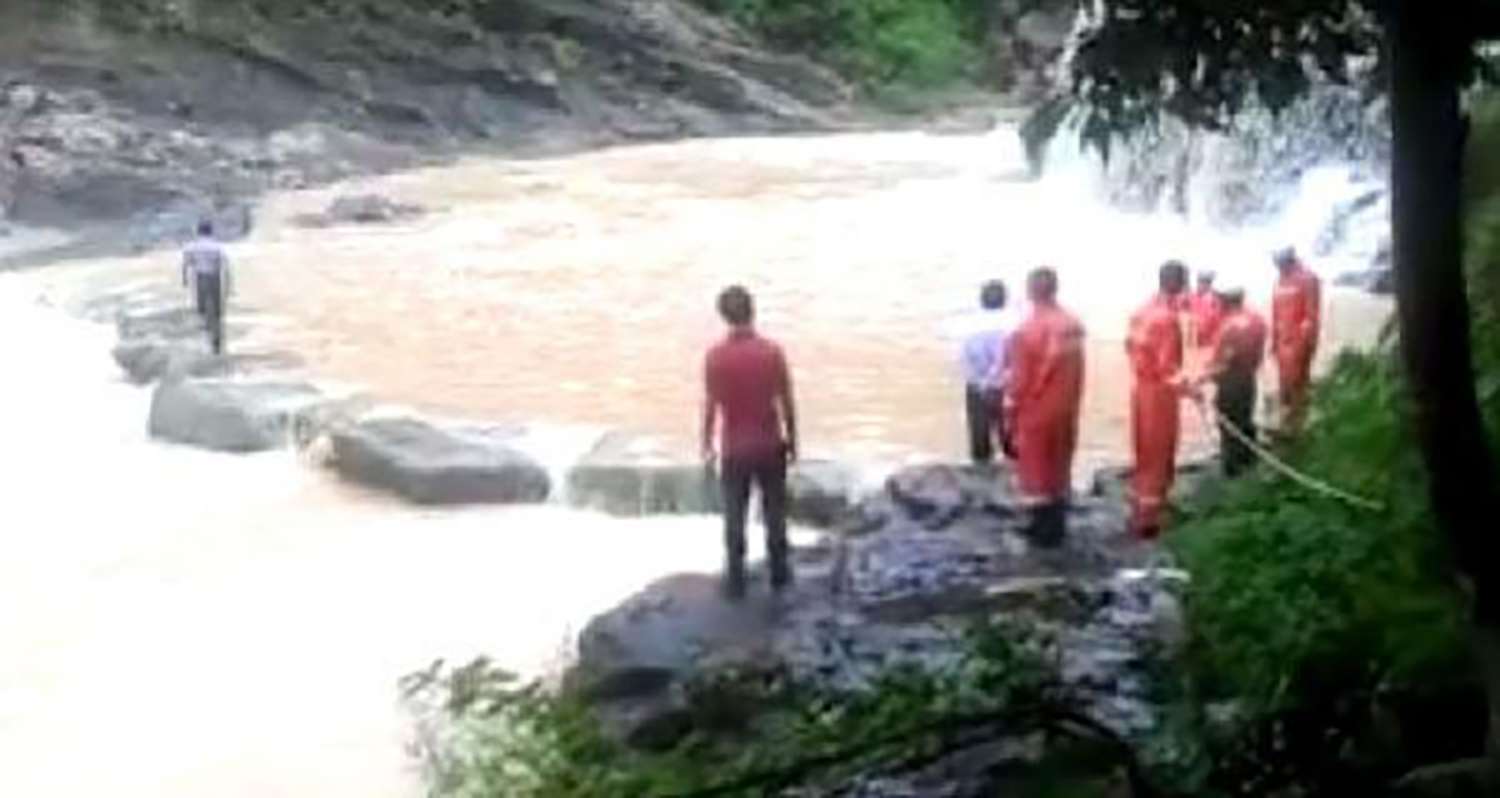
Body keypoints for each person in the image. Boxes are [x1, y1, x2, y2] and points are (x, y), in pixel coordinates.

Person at [702, 285, 799, 600]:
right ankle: (779, 574)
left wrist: (706, 443)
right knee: (774, 511)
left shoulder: (716, 357)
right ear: (752, 311)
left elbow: (712, 404)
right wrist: (793, 439)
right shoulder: (772, 352)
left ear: (724, 316)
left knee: (734, 514)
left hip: (735, 446)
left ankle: (735, 579)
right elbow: (786, 400)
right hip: (770, 443)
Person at [1005, 267, 1085, 546]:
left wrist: (1009, 415)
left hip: (1037, 411)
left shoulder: (1025, 332)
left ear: (1030, 291)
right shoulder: (1073, 324)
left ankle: (1042, 532)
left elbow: (1019, 383)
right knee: (1060, 465)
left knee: (1036, 469)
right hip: (1067, 407)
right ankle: (1059, 525)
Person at [1126, 260, 1190, 540]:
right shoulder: (1167, 319)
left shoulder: (1141, 311)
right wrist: (1189, 387)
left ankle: (1140, 508)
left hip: (1140, 389)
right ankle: (1150, 521)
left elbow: (1129, 346)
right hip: (1160, 395)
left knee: (1143, 449)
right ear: (1180, 284)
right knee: (1160, 452)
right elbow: (1168, 368)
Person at [1200, 285, 1268, 477]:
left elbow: (1224, 362)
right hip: (1249, 380)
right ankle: (1251, 464)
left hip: (1230, 384)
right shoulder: (1257, 320)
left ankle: (1232, 471)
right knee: (1246, 422)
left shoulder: (1229, 327)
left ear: (1224, 301)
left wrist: (1201, 378)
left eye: (1217, 301)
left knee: (1229, 429)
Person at [958, 279, 1015, 465]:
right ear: (1005, 300)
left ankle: (980, 478)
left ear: (981, 300)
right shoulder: (1013, 325)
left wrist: (979, 381)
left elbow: (963, 359)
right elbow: (1011, 359)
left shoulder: (968, 326)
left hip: (976, 387)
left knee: (979, 441)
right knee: (1011, 440)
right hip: (1006, 387)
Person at [1271, 247, 1322, 435]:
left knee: (1297, 384)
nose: (1277, 267)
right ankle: (1287, 423)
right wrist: (1274, 342)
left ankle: (1298, 427)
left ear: (1289, 260)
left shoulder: (1308, 279)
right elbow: (1275, 312)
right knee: (1284, 385)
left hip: (1298, 343)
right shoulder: (1279, 279)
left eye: (1279, 264)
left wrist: (1302, 345)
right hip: (1283, 342)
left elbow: (1311, 317)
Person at [181, 219, 232, 354]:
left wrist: (185, 279)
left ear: (198, 231)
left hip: (201, 278)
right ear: (211, 231)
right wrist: (228, 285)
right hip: (215, 278)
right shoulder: (218, 246)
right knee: (217, 310)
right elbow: (225, 267)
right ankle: (217, 340)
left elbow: (186, 264)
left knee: (202, 307)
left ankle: (206, 334)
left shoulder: (192, 246)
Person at [1188, 270, 1225, 351]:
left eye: (1208, 282)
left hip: (1210, 344)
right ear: (1198, 282)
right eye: (1202, 281)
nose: (1205, 284)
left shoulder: (1217, 299)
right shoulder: (1189, 297)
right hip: (1193, 343)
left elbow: (1220, 321)